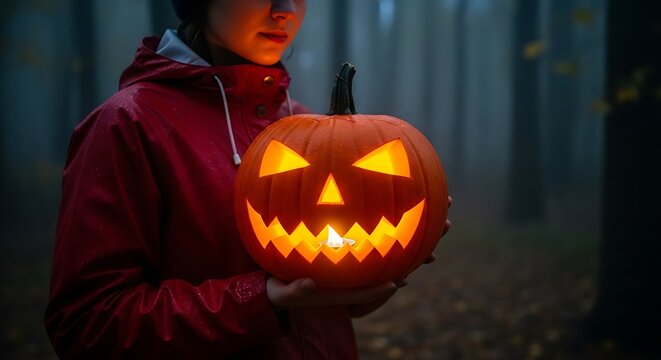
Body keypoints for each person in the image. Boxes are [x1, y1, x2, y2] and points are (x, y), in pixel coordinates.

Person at [45, 0, 451, 358]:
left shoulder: (294, 121)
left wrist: (381, 269)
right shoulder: (128, 125)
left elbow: (324, 305)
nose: (285, 10)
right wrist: (262, 300)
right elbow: (87, 326)